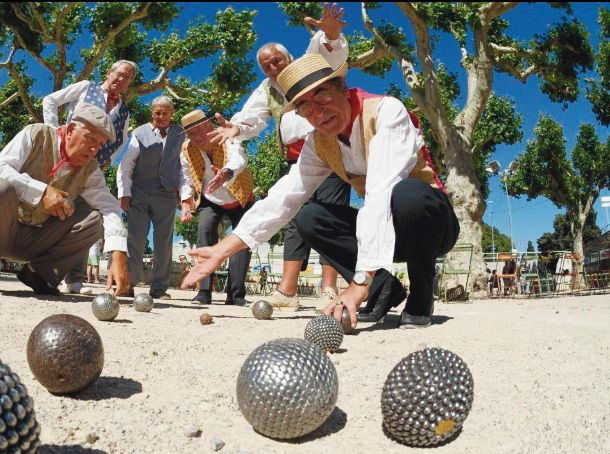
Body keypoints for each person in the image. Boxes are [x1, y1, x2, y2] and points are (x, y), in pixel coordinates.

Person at [182, 54, 459, 330]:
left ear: (341, 87)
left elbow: (380, 193)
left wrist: (359, 281)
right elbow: (284, 198)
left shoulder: (387, 111)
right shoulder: (319, 142)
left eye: (323, 97)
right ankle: (384, 289)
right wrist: (222, 249)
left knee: (407, 194)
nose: (319, 113)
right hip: (387, 236)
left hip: (432, 226)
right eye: (306, 108)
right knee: (310, 217)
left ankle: (421, 296)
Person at [207, 2, 352, 313]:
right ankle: (287, 289)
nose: (272, 67)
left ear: (288, 58)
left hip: (331, 150)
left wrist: (330, 36)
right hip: (297, 158)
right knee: (294, 219)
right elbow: (251, 118)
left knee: (331, 215)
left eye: (276, 61)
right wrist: (237, 128)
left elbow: (327, 50)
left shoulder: (308, 65)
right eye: (266, 65)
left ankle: (329, 288)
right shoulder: (266, 89)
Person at [0, 103, 130, 296]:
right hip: (0, 234)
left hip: (38, 242)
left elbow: (109, 206)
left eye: (99, 145)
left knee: (94, 220)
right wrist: (42, 191)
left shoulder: (91, 168)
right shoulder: (35, 134)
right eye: (90, 139)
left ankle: (38, 274)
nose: (93, 150)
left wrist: (118, 252)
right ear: (71, 130)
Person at [42, 59, 138, 294]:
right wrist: (54, 133)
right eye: (120, 74)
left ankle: (75, 278)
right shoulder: (86, 87)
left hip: (91, 167)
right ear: (109, 73)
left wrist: (107, 160)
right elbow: (50, 100)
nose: (122, 80)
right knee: (54, 210)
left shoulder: (124, 111)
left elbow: (121, 140)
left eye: (128, 78)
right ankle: (43, 270)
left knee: (85, 216)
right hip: (64, 157)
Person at [178, 110, 255, 306]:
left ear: (209, 126)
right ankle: (204, 292)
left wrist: (226, 173)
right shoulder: (186, 150)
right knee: (204, 229)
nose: (198, 137)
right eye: (192, 134)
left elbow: (239, 159)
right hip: (211, 199)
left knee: (241, 241)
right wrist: (186, 202)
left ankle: (236, 295)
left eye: (200, 130)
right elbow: (186, 179)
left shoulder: (227, 135)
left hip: (240, 197)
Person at [117, 96, 185, 299]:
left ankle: (159, 288)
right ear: (152, 113)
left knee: (164, 241)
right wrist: (125, 193)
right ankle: (128, 283)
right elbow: (126, 164)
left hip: (167, 194)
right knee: (135, 238)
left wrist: (185, 194)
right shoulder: (139, 133)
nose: (161, 116)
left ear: (172, 114)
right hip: (139, 192)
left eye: (165, 112)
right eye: (157, 112)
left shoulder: (181, 134)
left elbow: (184, 168)